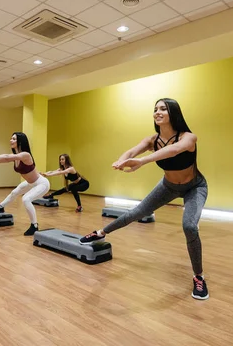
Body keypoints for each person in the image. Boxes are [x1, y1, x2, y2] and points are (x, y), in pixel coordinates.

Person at [79, 98, 209, 300]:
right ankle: (100, 233)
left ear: (173, 112)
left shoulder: (188, 137)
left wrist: (142, 161)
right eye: (155, 109)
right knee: (137, 212)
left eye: (163, 109)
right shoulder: (152, 140)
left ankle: (199, 277)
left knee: (190, 226)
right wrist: (121, 160)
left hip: (195, 187)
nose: (158, 112)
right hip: (168, 186)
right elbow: (132, 150)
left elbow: (174, 150)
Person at [0, 132, 49, 236]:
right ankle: (0, 207)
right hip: (30, 183)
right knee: (14, 192)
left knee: (26, 199)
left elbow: (5, 157)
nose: (11, 141)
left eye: (13, 139)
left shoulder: (25, 155)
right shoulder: (16, 156)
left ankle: (34, 226)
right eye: (11, 138)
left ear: (20, 141)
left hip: (41, 184)